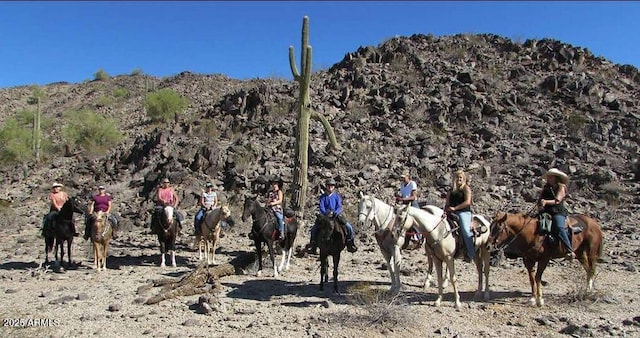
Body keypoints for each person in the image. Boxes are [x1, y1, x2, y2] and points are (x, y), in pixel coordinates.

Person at [307, 178, 358, 253]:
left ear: (334, 187)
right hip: (325, 216)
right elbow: (321, 207)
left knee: (349, 227)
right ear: (326, 186)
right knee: (314, 229)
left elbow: (339, 207)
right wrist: (326, 213)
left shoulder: (337, 196)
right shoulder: (322, 197)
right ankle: (313, 245)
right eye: (329, 185)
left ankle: (350, 243)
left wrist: (336, 212)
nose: (330, 187)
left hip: (336, 215)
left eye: (332, 186)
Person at [538, 168, 575, 260]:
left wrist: (546, 202)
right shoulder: (546, 188)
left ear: (555, 177)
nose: (549, 178)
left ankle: (569, 249)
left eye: (551, 176)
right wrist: (540, 204)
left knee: (559, 226)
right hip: (546, 211)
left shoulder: (561, 187)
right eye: (548, 177)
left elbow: (557, 200)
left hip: (557, 211)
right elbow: (540, 199)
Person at [445, 170, 474, 262]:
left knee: (465, 230)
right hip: (452, 212)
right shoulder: (451, 190)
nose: (459, 179)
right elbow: (447, 203)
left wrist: (455, 208)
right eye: (457, 177)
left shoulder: (466, 189)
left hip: (463, 212)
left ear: (464, 179)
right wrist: (446, 209)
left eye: (461, 177)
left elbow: (468, 202)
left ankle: (471, 253)